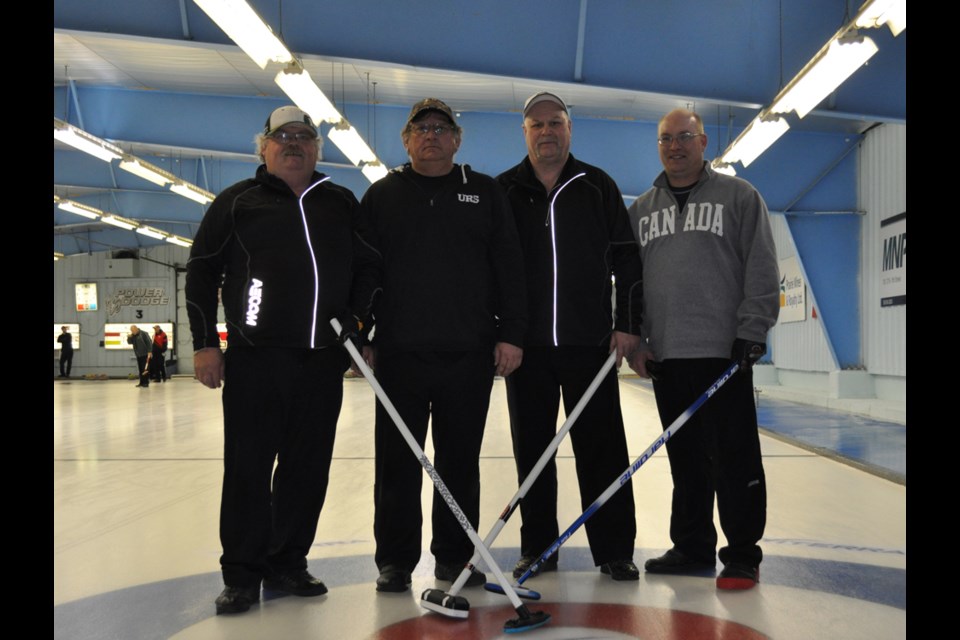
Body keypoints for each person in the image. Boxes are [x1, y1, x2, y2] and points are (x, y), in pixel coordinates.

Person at [185, 106, 380, 614]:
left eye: (304, 137)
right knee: (248, 469)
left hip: (321, 361)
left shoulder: (339, 202)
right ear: (264, 147)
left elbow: (370, 267)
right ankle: (243, 574)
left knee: (307, 469)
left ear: (317, 149)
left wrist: (357, 327)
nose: (294, 144)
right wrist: (206, 342)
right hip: (255, 360)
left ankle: (288, 561)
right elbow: (202, 272)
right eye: (283, 137)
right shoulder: (237, 202)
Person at [360, 98, 527, 593]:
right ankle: (394, 561)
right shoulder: (382, 195)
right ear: (406, 139)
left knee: (458, 464)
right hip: (398, 355)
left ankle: (454, 559)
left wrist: (511, 334)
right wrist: (361, 334)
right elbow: (365, 271)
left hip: (467, 354)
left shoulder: (484, 192)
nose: (430, 135)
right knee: (396, 465)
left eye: (441, 128)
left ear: (457, 139)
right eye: (420, 128)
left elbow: (509, 268)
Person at [627, 108, 779, 590]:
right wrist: (637, 341)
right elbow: (629, 284)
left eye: (684, 137)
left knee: (735, 457)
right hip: (667, 357)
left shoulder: (739, 197)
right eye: (666, 139)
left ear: (704, 142)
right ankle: (692, 547)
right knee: (686, 459)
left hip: (724, 353)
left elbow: (761, 266)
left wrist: (753, 330)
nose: (675, 146)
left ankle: (741, 553)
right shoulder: (641, 210)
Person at [497, 92, 643, 581]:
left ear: (569, 129)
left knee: (602, 450)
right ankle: (538, 547)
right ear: (524, 132)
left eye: (555, 122)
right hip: (527, 350)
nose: (546, 131)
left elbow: (627, 258)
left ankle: (615, 549)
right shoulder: (506, 191)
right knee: (533, 454)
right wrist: (502, 334)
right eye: (536, 124)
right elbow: (492, 271)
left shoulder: (596, 186)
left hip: (590, 346)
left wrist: (627, 324)